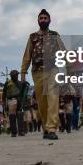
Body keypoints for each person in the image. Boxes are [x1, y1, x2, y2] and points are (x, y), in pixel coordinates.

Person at [21, 9, 66, 140]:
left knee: (52, 98)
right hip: (37, 73)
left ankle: (52, 128)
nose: (43, 20)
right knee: (42, 102)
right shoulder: (32, 37)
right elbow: (27, 56)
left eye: (45, 18)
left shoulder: (55, 35)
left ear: (49, 20)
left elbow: (63, 51)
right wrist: (23, 73)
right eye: (41, 18)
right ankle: (46, 128)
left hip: (53, 71)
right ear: (38, 21)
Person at [2, 69, 28, 137]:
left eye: (15, 75)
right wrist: (3, 101)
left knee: (19, 115)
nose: (14, 76)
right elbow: (4, 93)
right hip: (11, 100)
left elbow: (23, 94)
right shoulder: (8, 83)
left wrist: (23, 102)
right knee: (12, 116)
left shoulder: (21, 83)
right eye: (13, 75)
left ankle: (20, 131)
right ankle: (14, 132)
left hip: (19, 100)